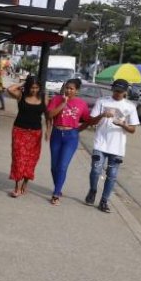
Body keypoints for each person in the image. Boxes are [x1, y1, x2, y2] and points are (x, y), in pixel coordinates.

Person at [83, 79, 140, 213]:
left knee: (112, 175)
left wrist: (123, 125)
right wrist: (103, 114)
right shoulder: (102, 101)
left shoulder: (130, 106)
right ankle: (93, 190)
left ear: (126, 92)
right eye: (115, 90)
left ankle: (104, 201)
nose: (117, 93)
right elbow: (91, 121)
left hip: (117, 147)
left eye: (120, 91)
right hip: (100, 143)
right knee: (96, 170)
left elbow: (133, 129)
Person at [45, 77, 92, 205]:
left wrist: (77, 130)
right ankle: (58, 188)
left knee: (62, 166)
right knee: (54, 167)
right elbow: (49, 115)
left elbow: (87, 120)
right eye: (67, 87)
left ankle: (56, 193)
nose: (68, 90)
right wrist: (63, 104)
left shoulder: (81, 103)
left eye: (71, 88)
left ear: (76, 91)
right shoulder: (56, 99)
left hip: (71, 136)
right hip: (56, 134)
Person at [5, 75, 49, 197]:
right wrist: (22, 84)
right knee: (18, 158)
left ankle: (25, 182)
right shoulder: (21, 95)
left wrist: (48, 130)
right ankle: (17, 187)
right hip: (19, 130)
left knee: (31, 160)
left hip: (35, 133)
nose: (34, 90)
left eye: (36, 87)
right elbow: (9, 89)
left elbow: (47, 114)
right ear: (28, 87)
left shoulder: (44, 97)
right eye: (31, 87)